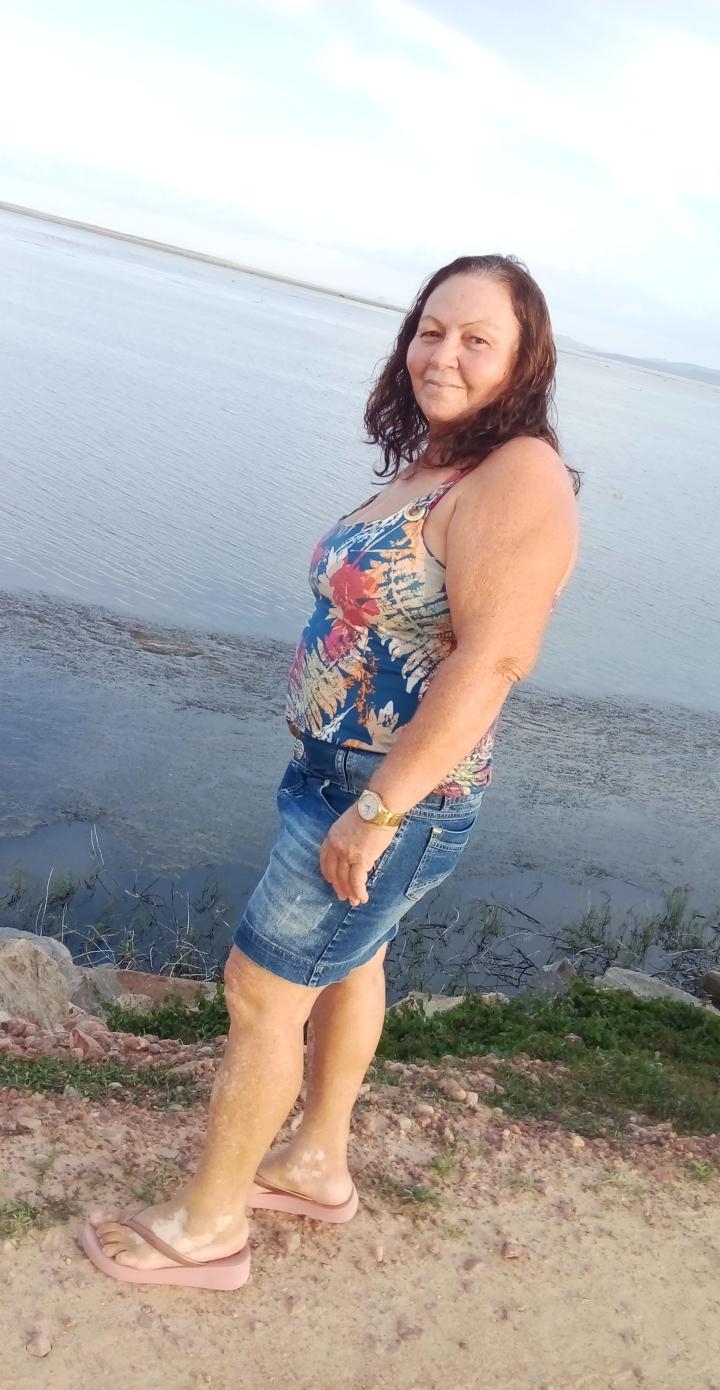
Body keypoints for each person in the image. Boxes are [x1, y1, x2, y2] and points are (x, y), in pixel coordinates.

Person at [82, 254, 579, 1289]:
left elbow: (494, 660)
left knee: (261, 993)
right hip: (335, 773)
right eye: (430, 329)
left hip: (390, 792)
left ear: (524, 363)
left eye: (477, 339)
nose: (443, 353)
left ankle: (209, 1230)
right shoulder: (439, 467)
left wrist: (381, 808)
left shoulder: (519, 472)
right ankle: (315, 1164)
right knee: (353, 962)